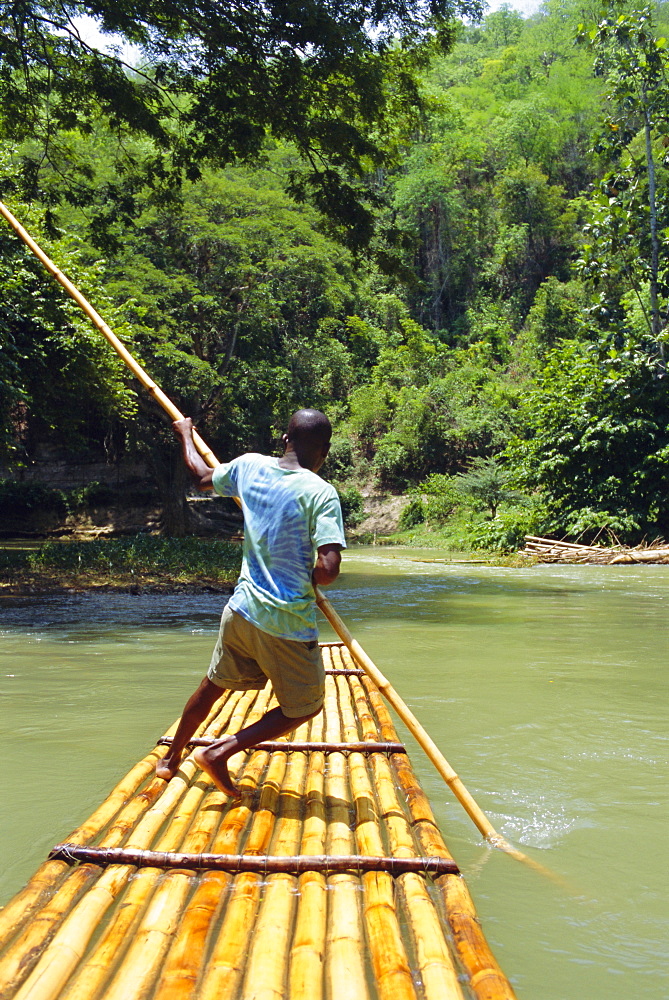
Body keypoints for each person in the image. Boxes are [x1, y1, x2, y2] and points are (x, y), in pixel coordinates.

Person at [155, 408, 345, 798]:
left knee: (212, 686)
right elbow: (328, 569)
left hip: (240, 610)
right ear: (323, 450)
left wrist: (186, 434)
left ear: (284, 440)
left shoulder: (248, 466)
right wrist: (305, 577)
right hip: (286, 622)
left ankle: (170, 759)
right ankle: (219, 752)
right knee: (305, 707)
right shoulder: (320, 492)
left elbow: (200, 475)